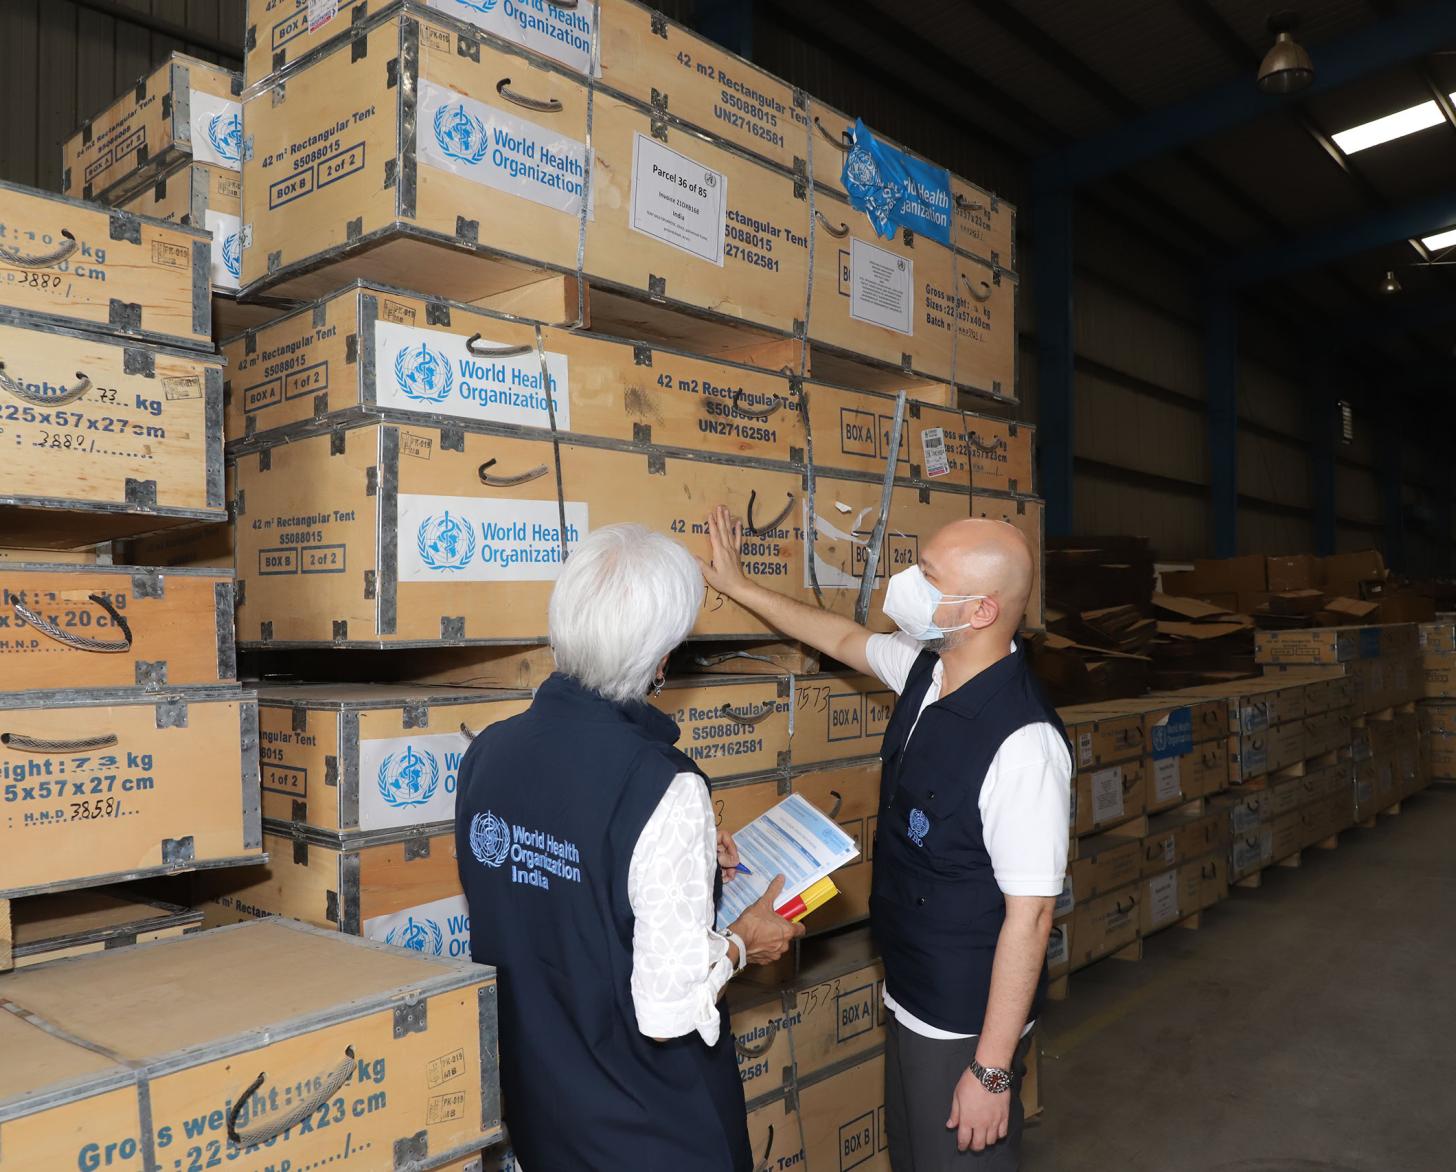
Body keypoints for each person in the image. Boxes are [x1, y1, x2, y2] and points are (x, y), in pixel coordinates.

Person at [699, 506, 1071, 1171]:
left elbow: (1033, 915)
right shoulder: (931, 672)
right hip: (910, 984)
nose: (907, 584)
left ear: (980, 611)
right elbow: (842, 638)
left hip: (963, 1018)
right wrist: (741, 587)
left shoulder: (1024, 747)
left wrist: (991, 1071)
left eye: (928, 576)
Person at [455, 523, 804, 1172]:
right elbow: (669, 1008)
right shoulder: (659, 786)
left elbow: (564, 908)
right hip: (650, 1131)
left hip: (543, 1115)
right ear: (664, 655)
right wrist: (741, 943)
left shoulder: (487, 754)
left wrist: (689, 859)